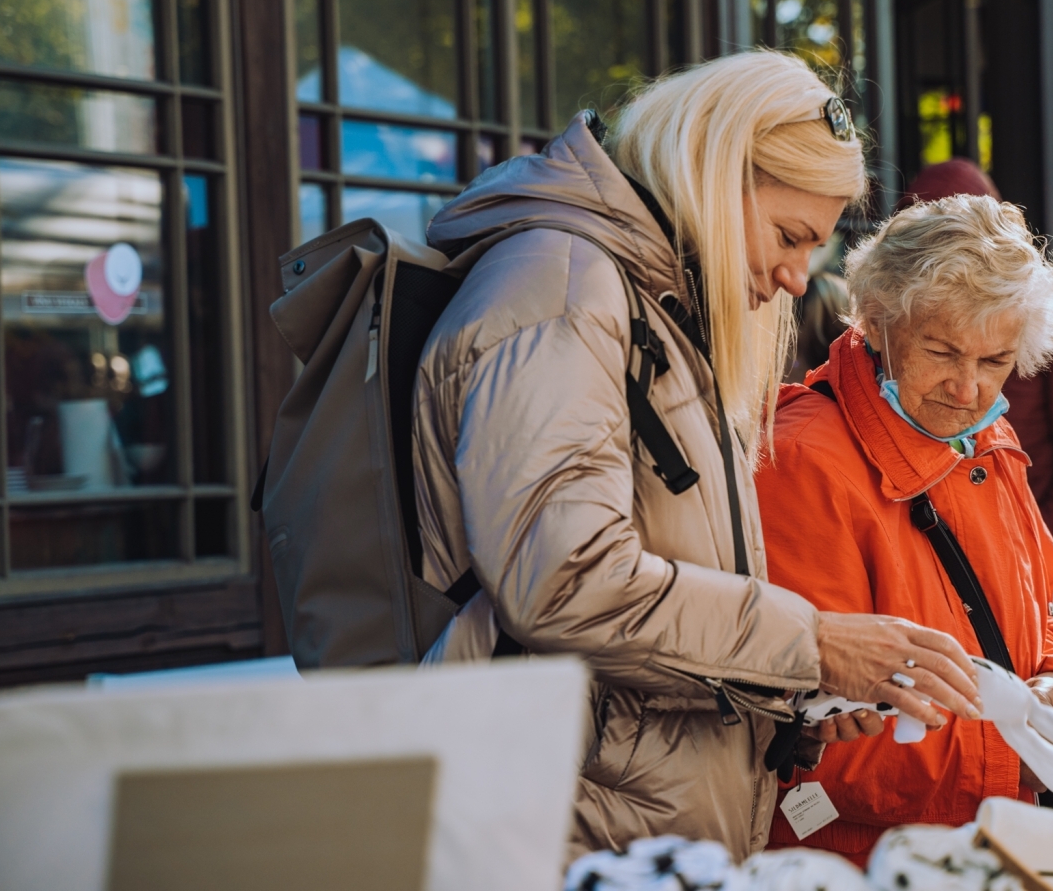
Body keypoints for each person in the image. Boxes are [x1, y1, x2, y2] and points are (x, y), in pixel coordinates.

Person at [410, 52, 984, 862]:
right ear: (713, 172)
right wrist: (812, 643)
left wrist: (795, 692)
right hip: (570, 824)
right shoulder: (565, 294)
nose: (794, 279)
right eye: (789, 237)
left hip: (623, 819)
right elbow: (566, 580)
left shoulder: (638, 302)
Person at [756, 195, 1053, 865]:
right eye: (942, 351)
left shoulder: (988, 438)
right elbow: (809, 727)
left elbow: (1034, 613)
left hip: (982, 844)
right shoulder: (802, 459)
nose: (968, 389)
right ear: (874, 321)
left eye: (995, 361)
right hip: (860, 862)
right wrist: (1013, 747)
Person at [903, 159, 1053, 636]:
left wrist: (1030, 552)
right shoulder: (902, 311)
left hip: (1025, 559)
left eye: (993, 361)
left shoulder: (1047, 311)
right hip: (923, 565)